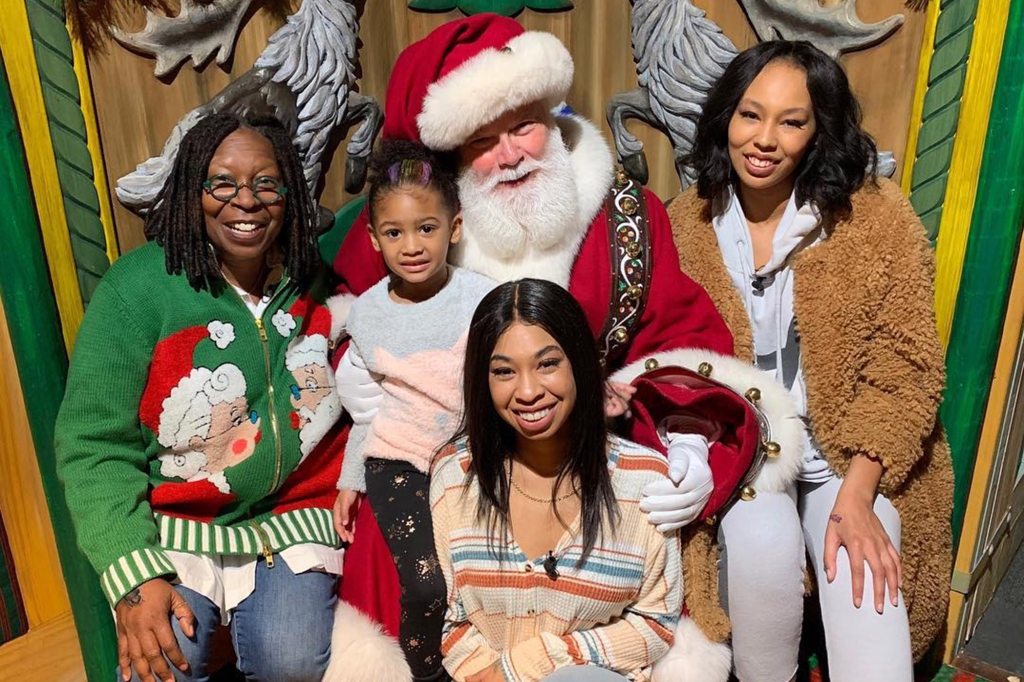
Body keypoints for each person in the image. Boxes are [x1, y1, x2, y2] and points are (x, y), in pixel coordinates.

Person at [329, 19, 803, 680]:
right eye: (483, 142)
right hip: (455, 455)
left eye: (522, 126)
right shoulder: (422, 227)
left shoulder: (629, 217)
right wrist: (355, 371)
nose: (511, 154)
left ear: (552, 115)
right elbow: (351, 314)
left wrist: (689, 440)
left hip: (595, 448)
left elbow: (679, 338)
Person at [667, 41, 953, 682]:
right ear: (725, 119)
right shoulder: (685, 223)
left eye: (791, 121)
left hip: (848, 457)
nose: (764, 139)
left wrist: (858, 494)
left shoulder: (874, 217)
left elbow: (907, 367)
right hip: (747, 456)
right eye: (750, 114)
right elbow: (672, 362)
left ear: (819, 130)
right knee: (762, 557)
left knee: (865, 589)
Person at [55, 113, 348, 682]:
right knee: (162, 666)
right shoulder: (135, 291)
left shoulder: (314, 282)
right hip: (174, 525)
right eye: (223, 183)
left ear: (288, 195)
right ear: (194, 190)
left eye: (267, 183)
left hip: (291, 523)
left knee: (292, 663)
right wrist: (133, 575)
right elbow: (92, 445)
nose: (247, 201)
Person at [431, 278, 682, 682]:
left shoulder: (645, 481)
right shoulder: (456, 477)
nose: (528, 391)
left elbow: (655, 625)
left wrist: (538, 661)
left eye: (547, 364)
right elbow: (453, 620)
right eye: (504, 371)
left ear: (580, 363)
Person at [332, 139, 496, 680]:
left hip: (473, 459)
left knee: (483, 576)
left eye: (426, 227)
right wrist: (351, 480)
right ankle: (427, 673)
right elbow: (367, 411)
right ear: (374, 238)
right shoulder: (368, 314)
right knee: (426, 585)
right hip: (397, 461)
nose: (412, 245)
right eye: (395, 232)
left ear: (454, 228)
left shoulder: (485, 297)